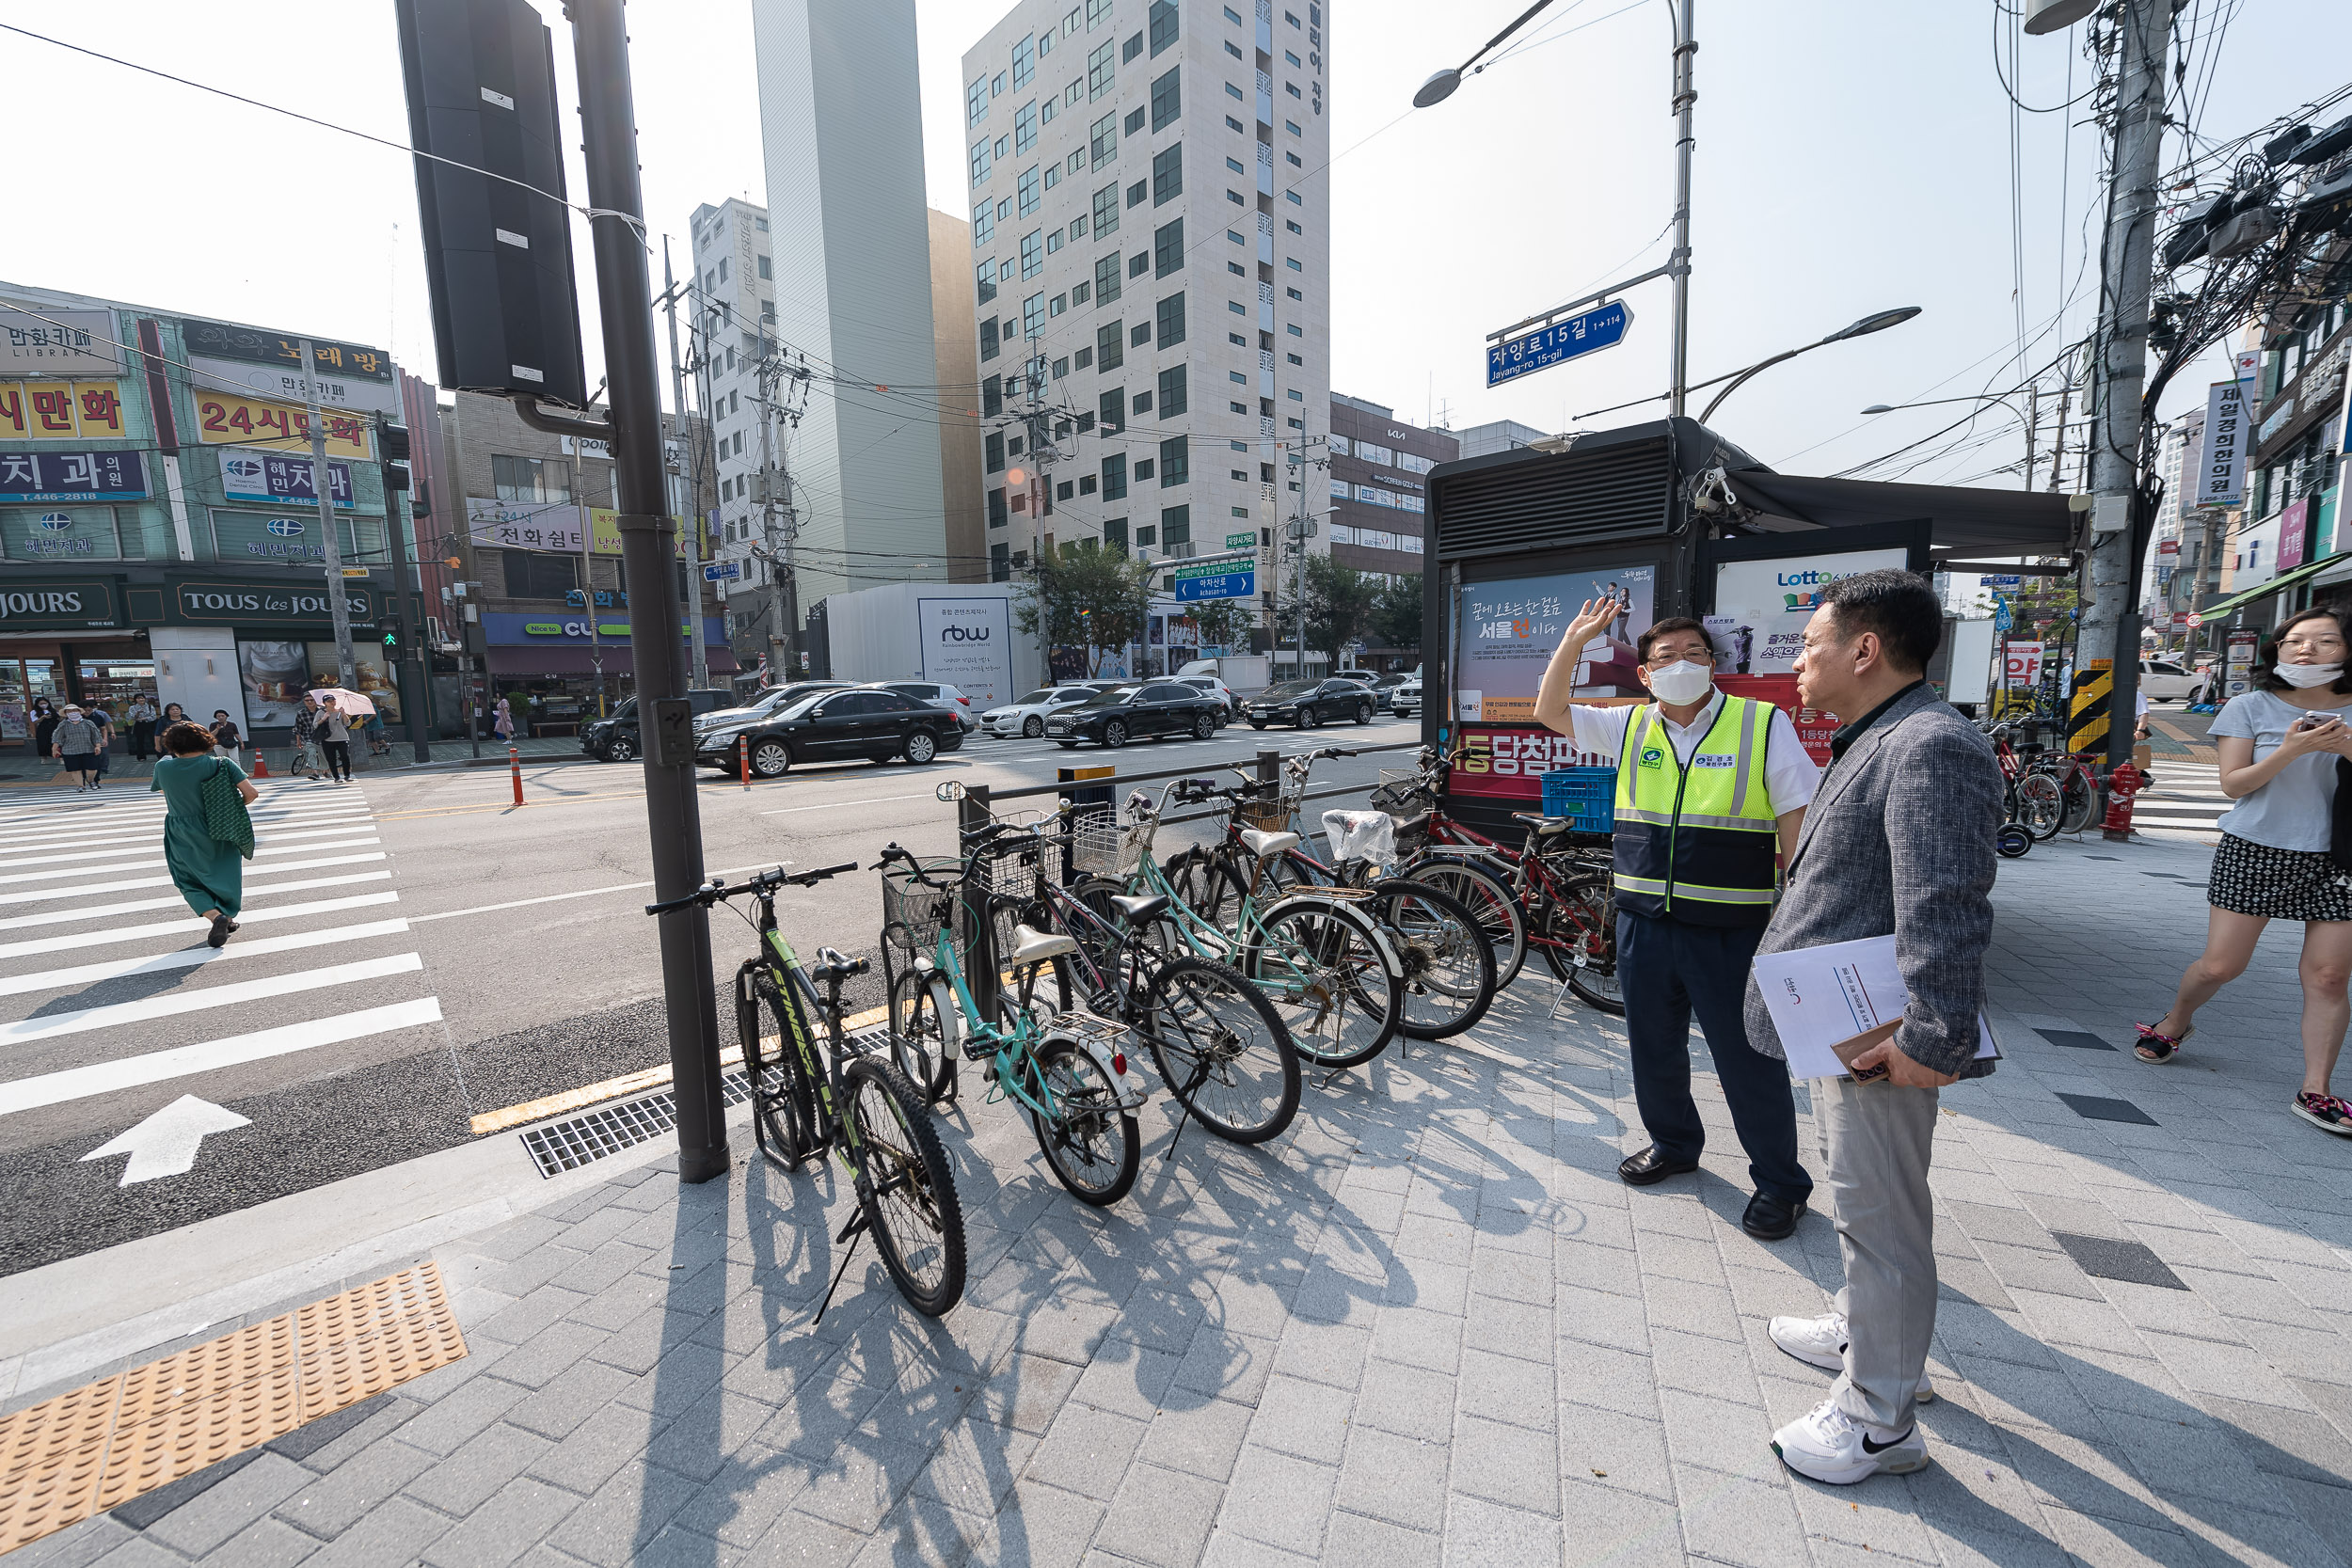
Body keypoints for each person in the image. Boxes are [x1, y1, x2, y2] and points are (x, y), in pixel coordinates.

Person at [1741, 569, 2003, 1486]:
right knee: (1866, 1208)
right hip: (1843, 1021)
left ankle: (1879, 1418)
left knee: (1880, 1218)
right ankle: (1864, 1332)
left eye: (1810, 642)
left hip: (1882, 1033)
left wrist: (1932, 1038)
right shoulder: (1876, 735)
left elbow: (1946, 901)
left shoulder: (1929, 743)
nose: (1798, 660)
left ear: (1864, 648)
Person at [1534, 602, 1820, 1241]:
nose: (1680, 664)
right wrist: (1575, 642)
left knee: (1747, 1059)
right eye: (1664, 657)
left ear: (1713, 664)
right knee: (1653, 1048)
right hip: (1642, 923)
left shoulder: (1760, 724)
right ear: (1644, 673)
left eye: (1693, 652)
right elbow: (1550, 711)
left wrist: (1798, 914)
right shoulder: (1631, 727)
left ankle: (1780, 1183)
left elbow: (1795, 816)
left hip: (1731, 928)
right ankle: (1674, 1143)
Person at [2135, 607, 2352, 1137]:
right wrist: (2292, 749)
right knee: (2220, 967)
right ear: (2276, 650)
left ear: (2347, 650)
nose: (2307, 650)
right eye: (2294, 640)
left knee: (2328, 977)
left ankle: (2316, 1090)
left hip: (2340, 858)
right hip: (2256, 849)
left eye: (2325, 641)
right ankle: (2176, 1021)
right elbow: (2234, 784)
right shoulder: (2250, 706)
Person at [151, 720, 258, 947]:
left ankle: (214, 916)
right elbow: (251, 793)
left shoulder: (163, 767)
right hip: (220, 825)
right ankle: (227, 917)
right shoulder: (223, 764)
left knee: (187, 879)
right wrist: (232, 808)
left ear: (171, 744)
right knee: (226, 874)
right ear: (206, 741)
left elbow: (163, 791)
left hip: (181, 829)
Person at [50, 705, 103, 792]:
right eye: (69, 711)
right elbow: (57, 738)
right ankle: (81, 786)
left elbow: (96, 735)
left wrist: (98, 746)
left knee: (92, 769)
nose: (72, 713)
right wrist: (54, 749)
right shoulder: (63, 725)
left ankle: (91, 780)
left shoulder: (88, 723)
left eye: (75, 710)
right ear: (66, 714)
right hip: (70, 751)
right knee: (75, 770)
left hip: (88, 749)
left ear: (79, 712)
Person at [316, 695, 354, 784]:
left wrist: (344, 714)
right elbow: (315, 725)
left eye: (333, 700)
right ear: (324, 703)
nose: (332, 702)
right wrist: (324, 718)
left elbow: (348, 724)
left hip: (342, 737)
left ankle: (347, 775)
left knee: (345, 756)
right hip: (327, 739)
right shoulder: (321, 713)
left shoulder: (339, 712)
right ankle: (336, 777)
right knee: (331, 759)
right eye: (329, 701)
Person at [292, 693, 324, 782]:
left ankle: (325, 770)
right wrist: (298, 741)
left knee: (323, 755)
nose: (309, 702)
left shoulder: (322, 712)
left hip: (322, 737)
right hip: (309, 737)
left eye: (311, 700)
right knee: (312, 753)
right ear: (304, 702)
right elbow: (298, 728)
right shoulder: (301, 713)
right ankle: (315, 773)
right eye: (307, 700)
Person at [128, 694, 157, 761]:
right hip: (139, 725)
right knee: (140, 741)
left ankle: (159, 755)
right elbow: (133, 718)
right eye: (139, 698)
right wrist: (137, 713)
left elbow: (153, 717)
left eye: (142, 698)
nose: (141, 700)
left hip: (149, 724)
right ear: (135, 700)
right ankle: (141, 757)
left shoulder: (150, 706)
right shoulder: (132, 708)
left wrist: (144, 718)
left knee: (154, 739)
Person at [32, 697, 59, 767]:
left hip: (53, 727)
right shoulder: (34, 712)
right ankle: (44, 758)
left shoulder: (52, 710)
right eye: (41, 704)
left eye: (45, 703)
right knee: (43, 743)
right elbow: (35, 721)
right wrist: (43, 717)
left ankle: (60, 758)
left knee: (56, 742)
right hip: (43, 729)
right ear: (37, 704)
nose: (43, 705)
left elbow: (58, 718)